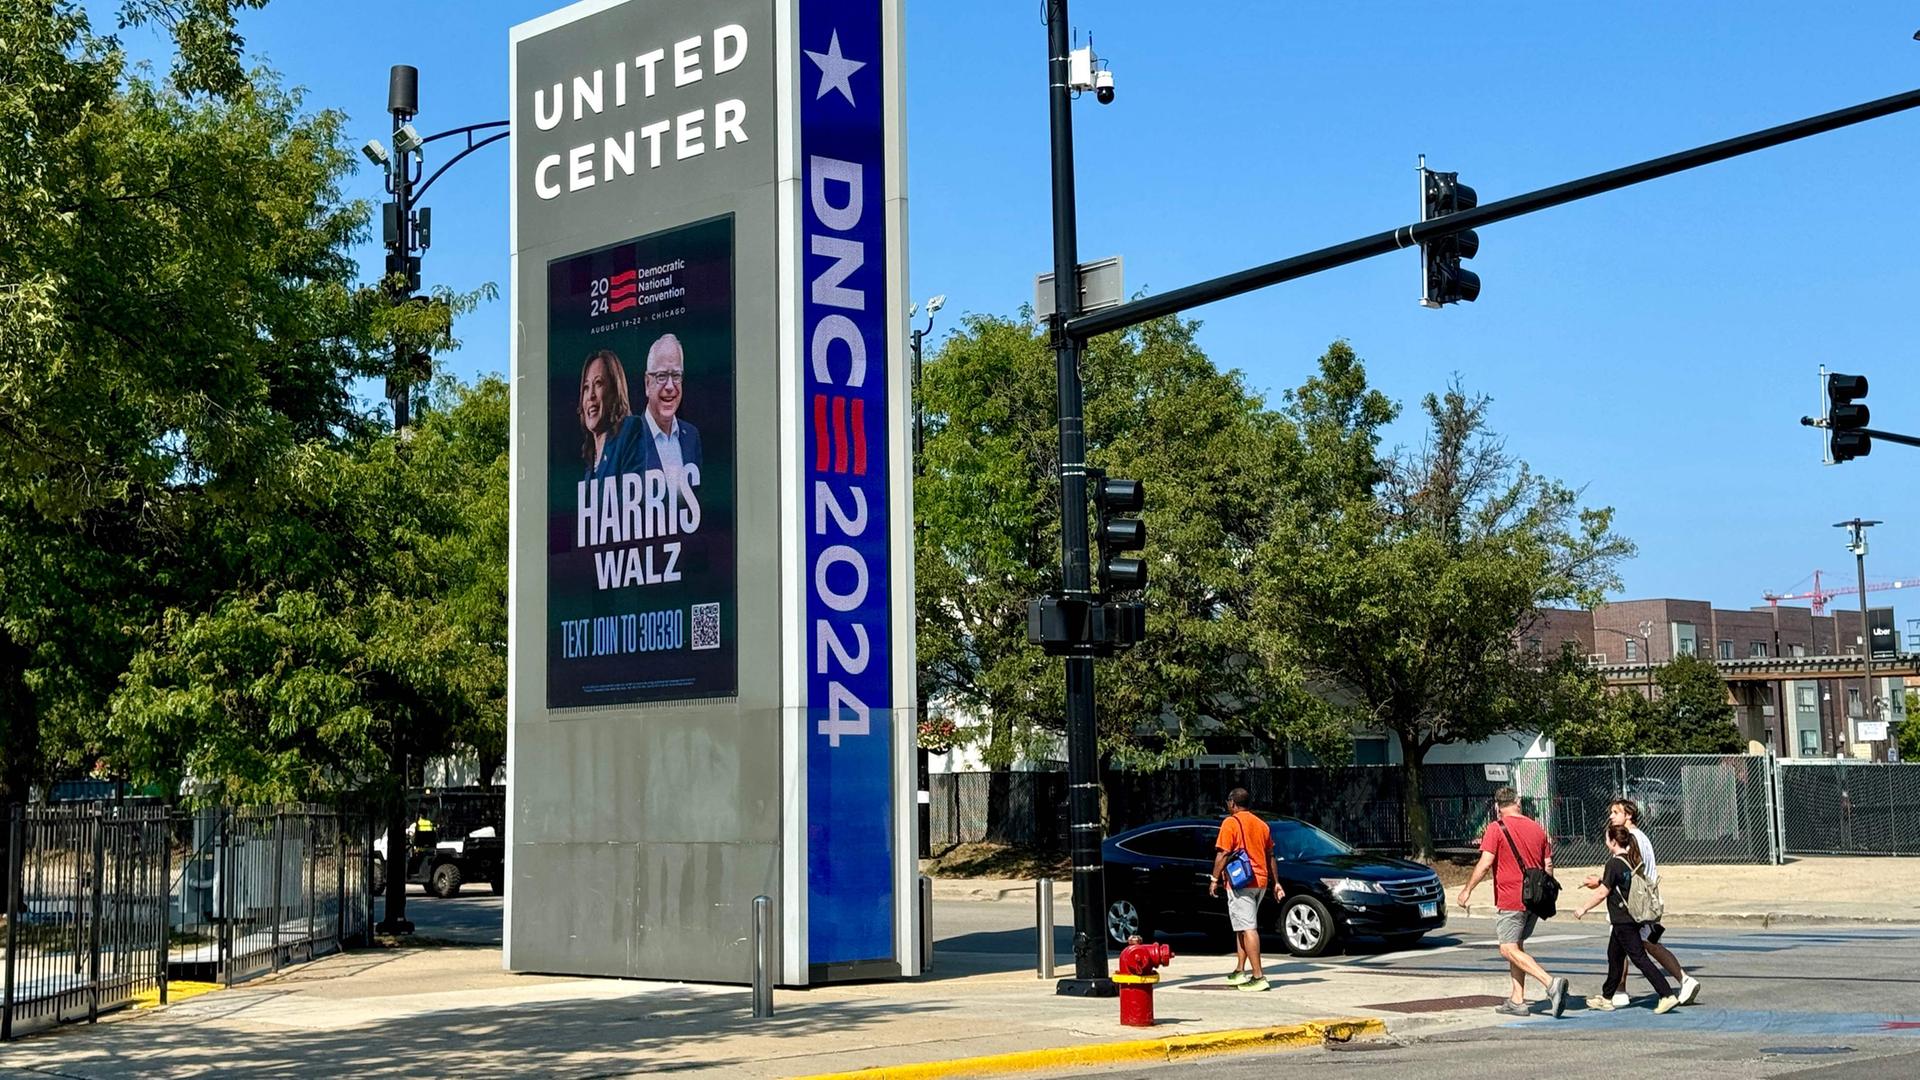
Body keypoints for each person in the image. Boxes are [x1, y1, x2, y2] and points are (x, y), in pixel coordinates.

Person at [1458, 786, 1570, 1017]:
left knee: (1507, 948)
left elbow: (1486, 862)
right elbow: (1548, 865)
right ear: (1517, 803)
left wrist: (1467, 889)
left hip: (1511, 897)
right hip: (1534, 899)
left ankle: (1550, 983)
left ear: (1497, 807)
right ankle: (1517, 999)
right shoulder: (1538, 828)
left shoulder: (1496, 828)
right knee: (1517, 946)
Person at [1584, 797, 1700, 1006]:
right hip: (1644, 901)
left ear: (1628, 815)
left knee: (1639, 946)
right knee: (1643, 945)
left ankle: (1675, 983)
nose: (1611, 816)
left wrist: (1602, 883)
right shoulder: (1639, 837)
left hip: (1636, 905)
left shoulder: (1632, 838)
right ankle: (1618, 991)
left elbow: (1630, 873)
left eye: (1616, 812)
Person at [1575, 824, 1680, 1014]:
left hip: (1623, 920)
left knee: (1640, 958)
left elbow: (1602, 892)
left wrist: (1583, 908)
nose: (1605, 842)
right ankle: (1606, 997)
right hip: (1629, 918)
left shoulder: (1614, 864)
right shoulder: (1632, 861)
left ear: (1613, 841)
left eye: (1607, 839)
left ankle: (1666, 994)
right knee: (1614, 957)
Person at [1209, 788, 1282, 992]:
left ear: (1232, 803)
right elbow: (1271, 855)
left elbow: (1223, 854)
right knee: (1242, 925)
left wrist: (1214, 878)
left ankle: (1258, 976)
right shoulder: (1261, 824)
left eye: (1228, 802)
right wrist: (1276, 882)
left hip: (1241, 882)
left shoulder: (1230, 823)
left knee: (1248, 928)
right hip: (1260, 881)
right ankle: (1240, 970)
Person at [639, 333, 702, 487]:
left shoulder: (691, 436)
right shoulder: (627, 442)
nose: (669, 386)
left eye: (675, 375)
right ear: (647, 384)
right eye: (661, 376)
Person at [578, 349, 647, 481]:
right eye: (586, 387)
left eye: (598, 383)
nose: (590, 396)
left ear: (615, 391)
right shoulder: (590, 464)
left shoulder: (630, 429)